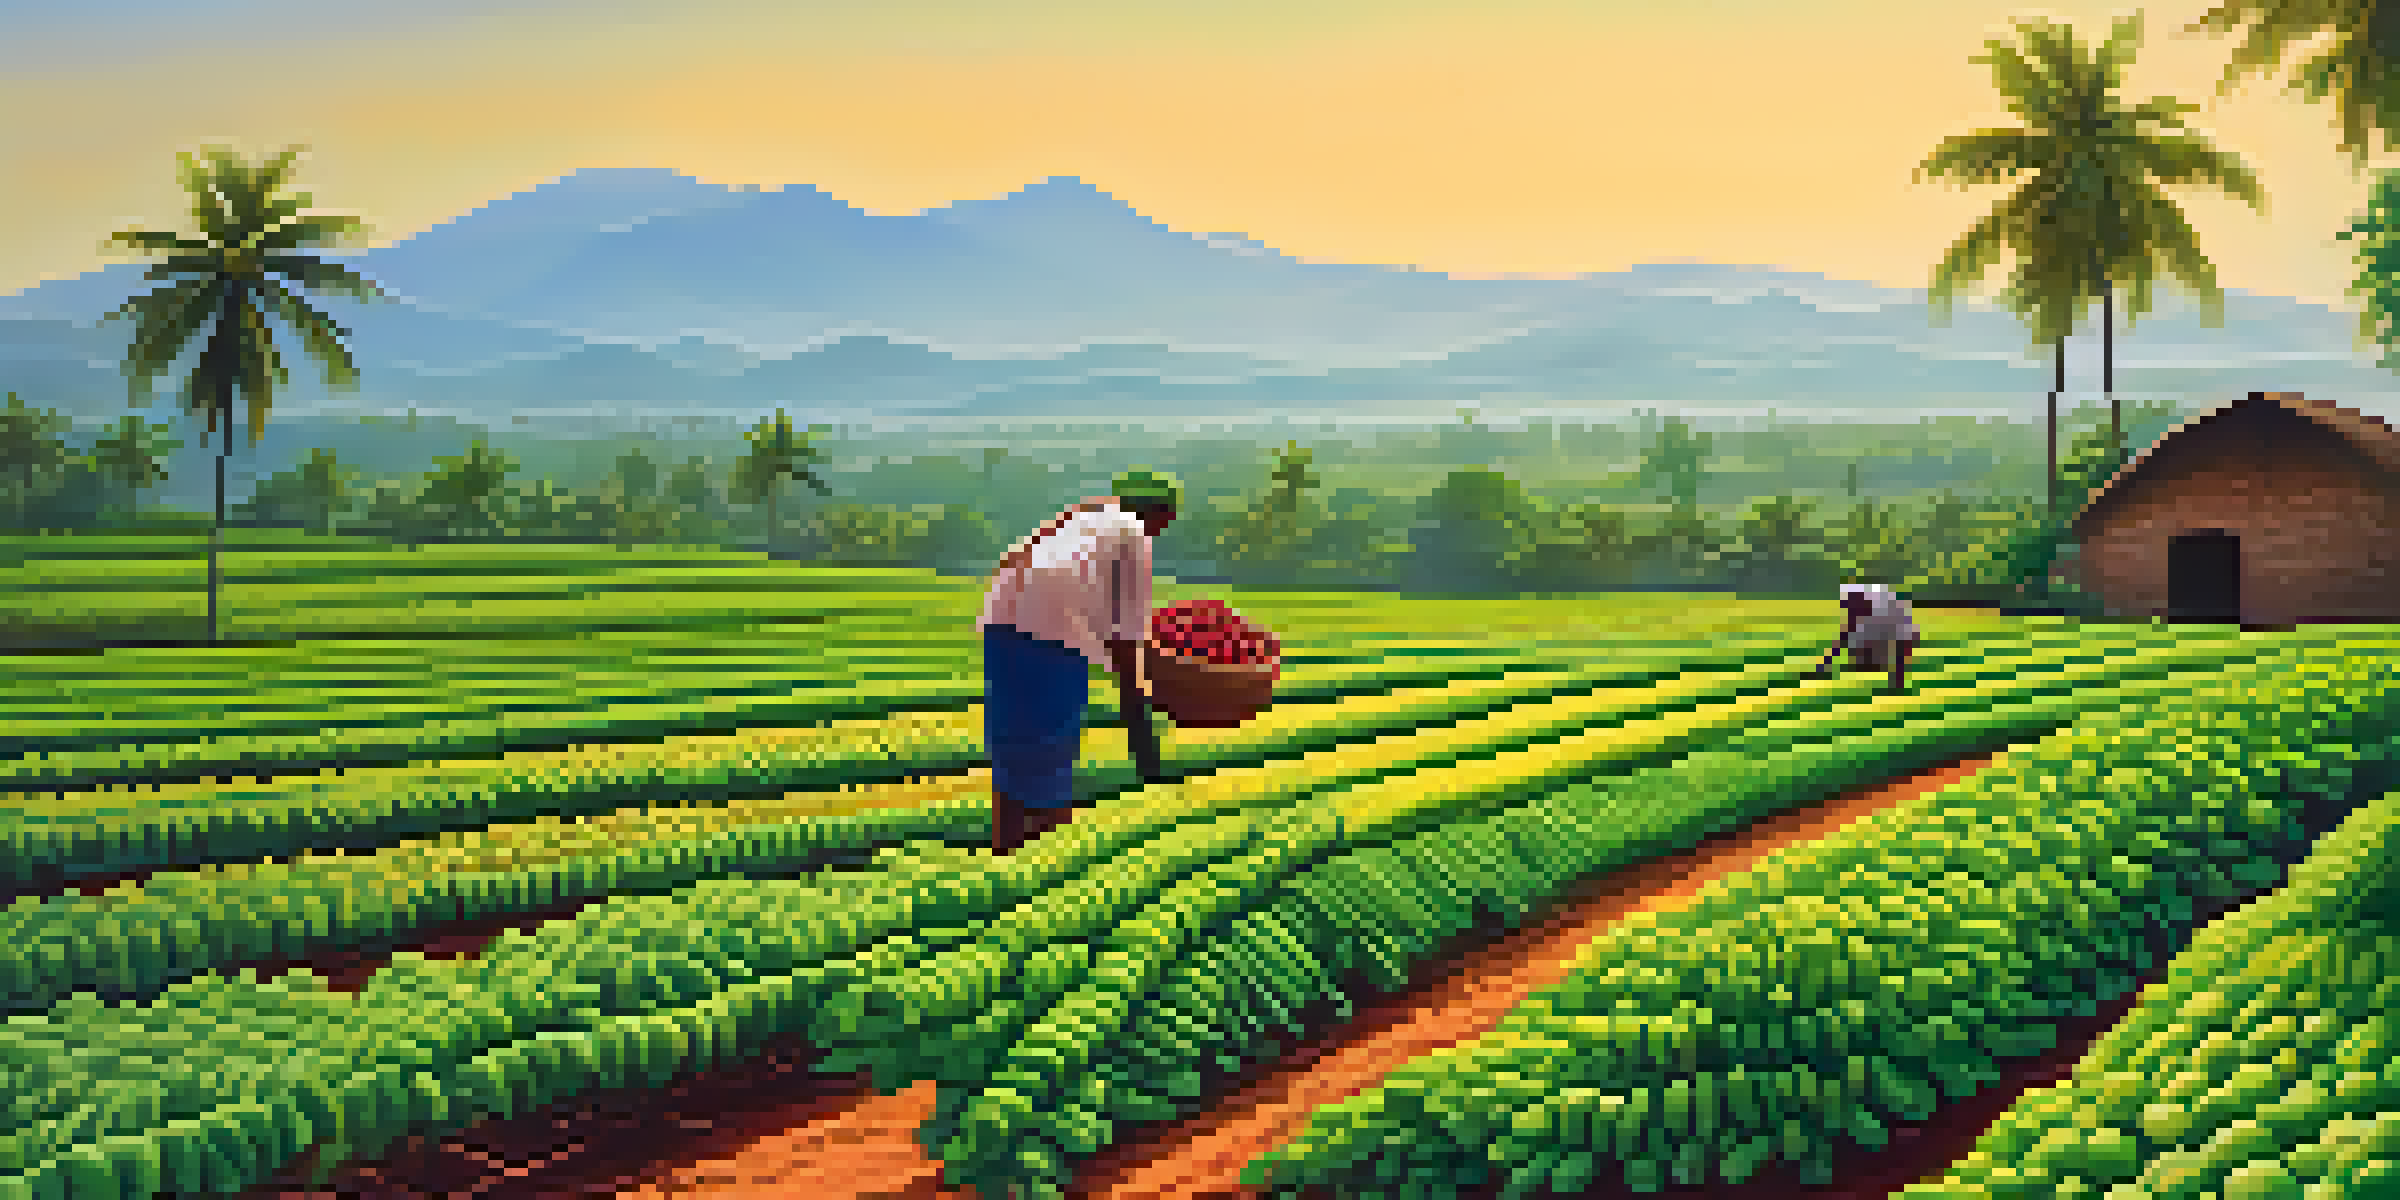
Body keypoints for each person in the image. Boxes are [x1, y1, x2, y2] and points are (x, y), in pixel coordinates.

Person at [977, 469, 1178, 854]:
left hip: (999, 619)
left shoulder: (1080, 517)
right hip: (1054, 628)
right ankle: (1048, 867)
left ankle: (1004, 853)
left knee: (1013, 747)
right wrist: (1147, 755)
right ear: (1158, 514)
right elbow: (1127, 644)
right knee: (1052, 751)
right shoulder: (1133, 533)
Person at [1811, 582, 1919, 693]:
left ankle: (1897, 685)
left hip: (1898, 639)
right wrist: (1823, 665)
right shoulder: (1864, 609)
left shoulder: (1887, 610)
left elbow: (1905, 637)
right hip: (1883, 639)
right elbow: (1844, 637)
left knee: (1894, 648)